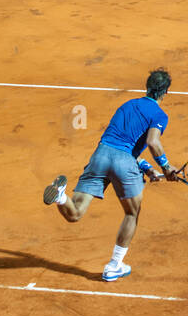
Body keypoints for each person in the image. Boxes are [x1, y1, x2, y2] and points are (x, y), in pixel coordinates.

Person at [43, 69, 179, 283]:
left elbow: (120, 143)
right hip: (123, 162)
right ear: (166, 92)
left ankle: (60, 196)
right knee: (132, 214)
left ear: (147, 86)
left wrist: (145, 167)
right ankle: (114, 265)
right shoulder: (159, 115)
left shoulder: (126, 106)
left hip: (100, 156)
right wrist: (166, 167)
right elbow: (152, 142)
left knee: (75, 213)